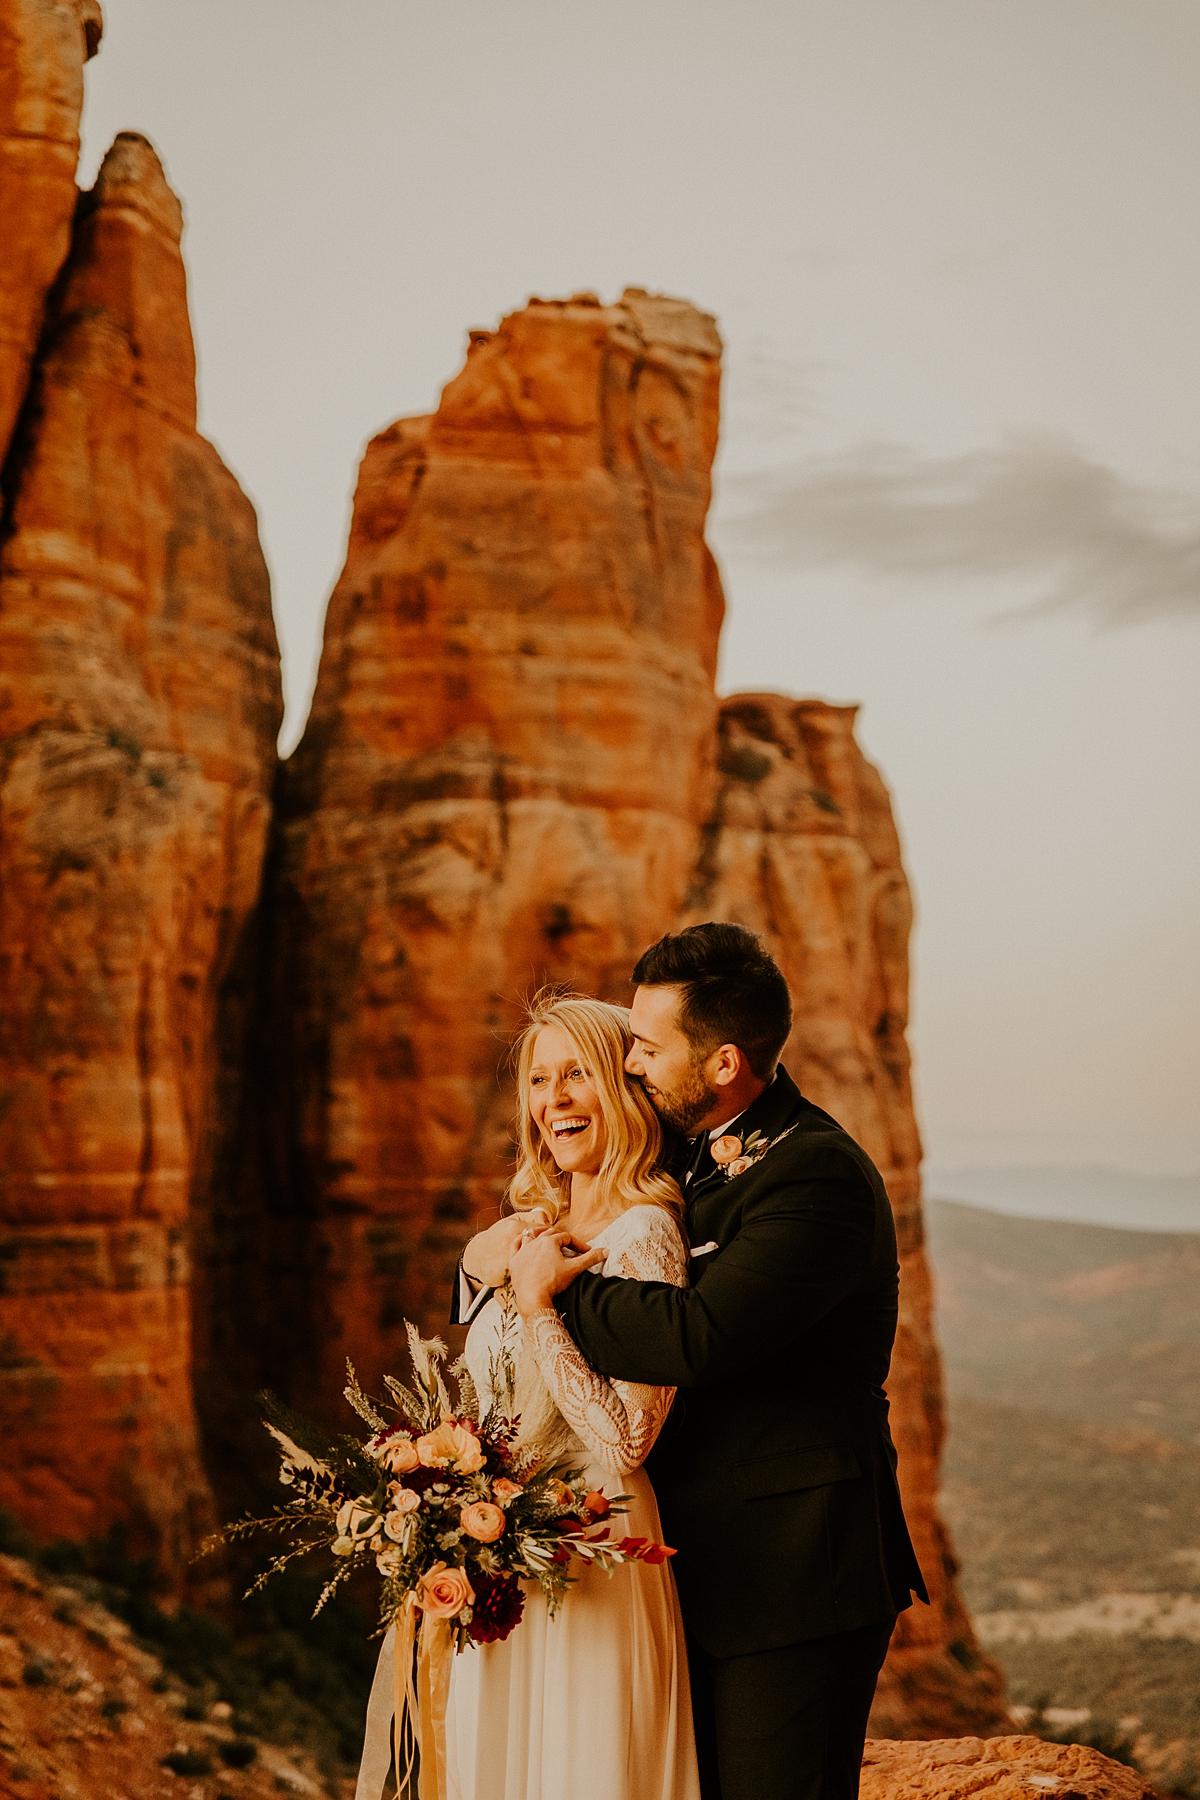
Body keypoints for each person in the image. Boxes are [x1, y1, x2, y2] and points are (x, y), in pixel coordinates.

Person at [501, 923, 928, 1800]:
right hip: (686, 1573)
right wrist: (505, 1252)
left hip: (791, 1582)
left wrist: (548, 1289)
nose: (631, 1067)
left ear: (724, 1062)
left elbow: (701, 1337)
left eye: (648, 1049)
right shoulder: (691, 1150)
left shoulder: (814, 1173)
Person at [439, 993, 701, 1800]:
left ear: (622, 1088)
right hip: (503, 1554)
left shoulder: (645, 1234)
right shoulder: (529, 1227)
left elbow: (626, 1443)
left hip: (599, 1545)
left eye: (577, 1074)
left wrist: (537, 1305)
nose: (554, 1098)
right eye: (538, 1079)